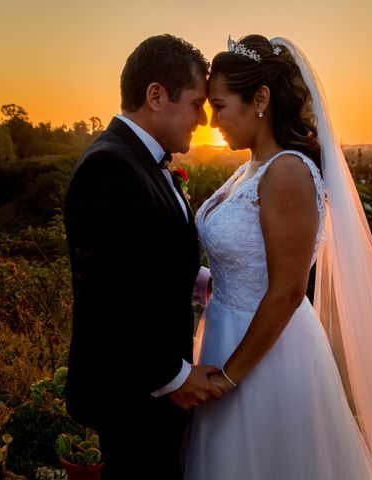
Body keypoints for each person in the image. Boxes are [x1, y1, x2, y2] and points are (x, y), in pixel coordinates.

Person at [184, 35, 372, 479]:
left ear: (260, 99)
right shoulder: (250, 168)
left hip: (266, 356)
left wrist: (230, 377)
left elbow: (290, 290)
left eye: (219, 106)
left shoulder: (288, 172)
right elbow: (244, 262)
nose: (211, 121)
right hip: (224, 334)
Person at [64, 34, 221, 480]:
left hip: (149, 390)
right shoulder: (109, 167)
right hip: (133, 391)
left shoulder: (142, 160)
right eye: (196, 102)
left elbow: (144, 262)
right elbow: (108, 296)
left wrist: (204, 281)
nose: (203, 117)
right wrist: (174, 376)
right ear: (156, 96)